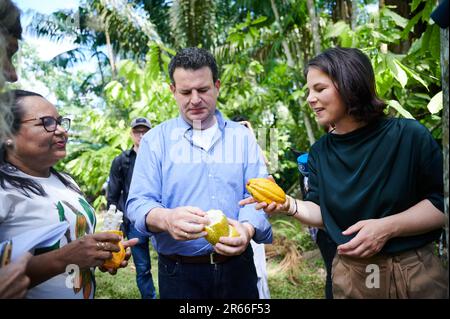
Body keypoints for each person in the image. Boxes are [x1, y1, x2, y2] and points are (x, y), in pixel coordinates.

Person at [240, 47, 448, 299]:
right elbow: (321, 210)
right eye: (308, 91)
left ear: (350, 83)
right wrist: (288, 204)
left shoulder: (409, 136)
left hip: (414, 271)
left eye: (319, 88)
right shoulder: (319, 153)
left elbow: (441, 204)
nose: (310, 98)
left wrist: (388, 227)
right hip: (353, 275)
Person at [127, 47, 272, 299]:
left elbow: (259, 193)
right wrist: (166, 218)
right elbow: (138, 203)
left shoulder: (242, 137)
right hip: (180, 273)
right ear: (173, 90)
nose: (195, 99)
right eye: (185, 92)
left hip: (238, 269)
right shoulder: (155, 141)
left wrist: (246, 229)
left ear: (217, 86)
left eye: (203, 90)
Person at [0, 89, 138, 298]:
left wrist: (100, 253)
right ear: (7, 135)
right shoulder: (4, 189)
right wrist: (64, 259)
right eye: (47, 122)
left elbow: (76, 241)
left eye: (60, 121)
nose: (62, 130)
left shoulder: (66, 181)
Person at [107, 117, 157, 299]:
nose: (142, 135)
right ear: (131, 134)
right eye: (138, 131)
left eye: (145, 131)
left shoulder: (159, 157)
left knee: (173, 262)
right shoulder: (122, 161)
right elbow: (113, 194)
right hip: (134, 221)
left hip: (159, 216)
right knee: (143, 267)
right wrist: (116, 226)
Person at [231, 115, 271, 299]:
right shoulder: (230, 157)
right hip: (237, 222)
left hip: (254, 219)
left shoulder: (255, 152)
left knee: (260, 270)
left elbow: (268, 175)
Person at [297, 152, 336, 299]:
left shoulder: (307, 173)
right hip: (323, 231)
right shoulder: (310, 176)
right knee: (333, 271)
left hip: (321, 230)